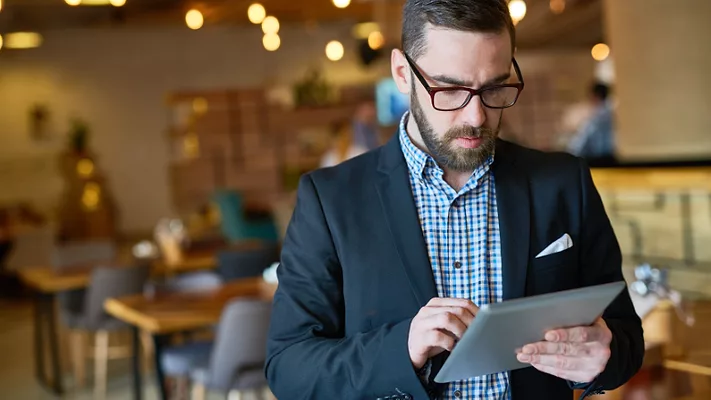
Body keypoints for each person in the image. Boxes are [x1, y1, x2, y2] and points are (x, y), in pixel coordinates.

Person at [265, 1, 644, 399]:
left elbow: (625, 338)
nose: (477, 116)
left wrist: (602, 357)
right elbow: (289, 367)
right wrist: (403, 350)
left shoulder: (564, 183)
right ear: (402, 73)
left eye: (494, 87)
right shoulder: (330, 200)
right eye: (449, 89)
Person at [566, 82, 616, 164]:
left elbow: (577, 146)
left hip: (597, 162)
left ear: (594, 96)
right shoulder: (613, 115)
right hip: (612, 160)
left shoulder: (594, 120)